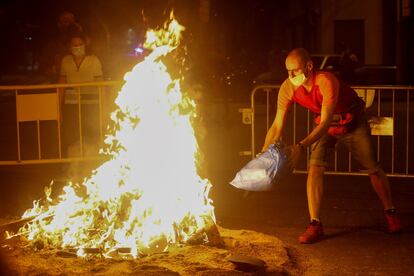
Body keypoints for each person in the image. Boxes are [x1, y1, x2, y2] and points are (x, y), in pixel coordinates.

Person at [261, 48, 402, 244]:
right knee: (314, 168)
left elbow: (327, 120)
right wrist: (262, 154)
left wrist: (301, 146)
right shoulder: (288, 88)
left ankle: (390, 211)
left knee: (373, 168)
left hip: (352, 121)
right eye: (287, 71)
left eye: (294, 70)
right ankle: (315, 224)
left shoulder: (326, 81)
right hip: (324, 124)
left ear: (309, 66)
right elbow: (277, 125)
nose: (290, 75)